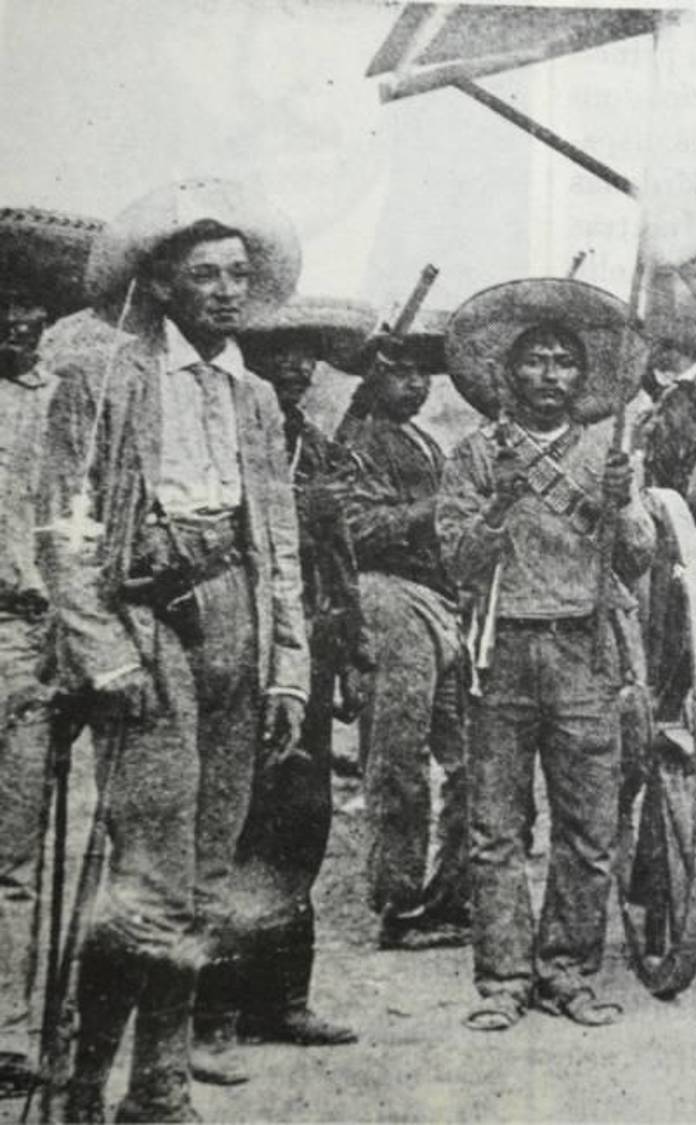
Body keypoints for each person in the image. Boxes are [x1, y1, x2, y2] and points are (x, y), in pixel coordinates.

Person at [35, 178, 308, 1120]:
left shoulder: (257, 397)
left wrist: (291, 669)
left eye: (238, 274)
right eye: (205, 275)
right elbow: (64, 533)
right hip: (147, 631)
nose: (227, 291)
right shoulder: (105, 380)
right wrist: (98, 650)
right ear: (159, 285)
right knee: (146, 880)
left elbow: (278, 542)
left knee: (204, 882)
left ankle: (156, 1093)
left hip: (237, 622)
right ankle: (79, 1089)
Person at [437, 278, 652, 1032]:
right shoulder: (472, 457)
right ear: (508, 373)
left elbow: (637, 560)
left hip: (583, 652)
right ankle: (502, 980)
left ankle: (568, 972)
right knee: (496, 829)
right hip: (501, 655)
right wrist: (498, 501)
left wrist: (623, 502)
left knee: (588, 829)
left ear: (583, 375)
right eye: (536, 361)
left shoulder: (610, 456)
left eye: (565, 361)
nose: (551, 375)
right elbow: (458, 562)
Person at [226, 297, 380, 1050]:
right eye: (276, 351)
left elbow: (339, 557)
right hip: (235, 648)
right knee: (230, 825)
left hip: (309, 653)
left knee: (300, 821)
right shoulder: (223, 431)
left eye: (305, 353)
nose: (292, 365)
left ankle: (283, 999)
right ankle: (211, 1012)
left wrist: (350, 650)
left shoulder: (315, 446)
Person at [0, 205, 102, 1099]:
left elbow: (78, 534)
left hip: (27, 639)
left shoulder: (66, 402)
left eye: (29, 303)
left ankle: (9, 1032)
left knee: (18, 851)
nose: (14, 318)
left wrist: (75, 641)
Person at [338, 321, 470, 951]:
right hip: (386, 597)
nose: (415, 385)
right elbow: (356, 529)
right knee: (398, 759)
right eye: (401, 373)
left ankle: (451, 896)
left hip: (437, 602)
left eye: (422, 374)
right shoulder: (357, 439)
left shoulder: (420, 441)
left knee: (469, 756)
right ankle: (397, 902)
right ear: (373, 376)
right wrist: (436, 511)